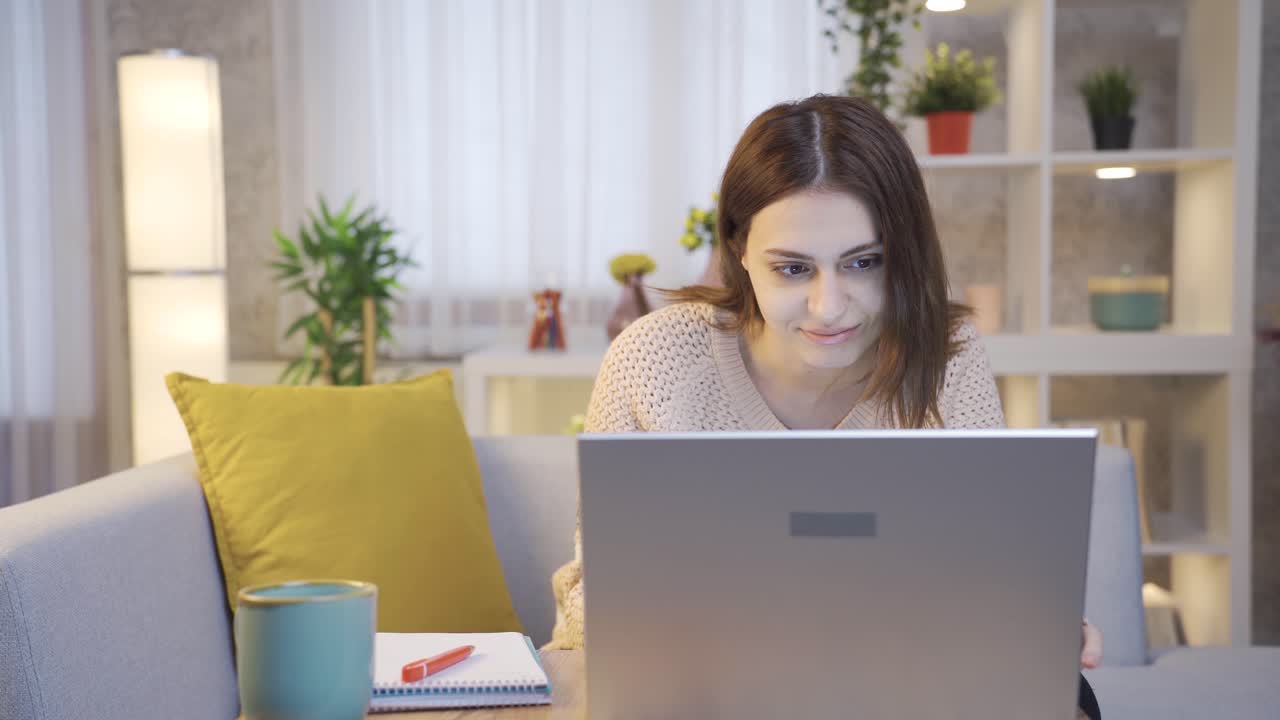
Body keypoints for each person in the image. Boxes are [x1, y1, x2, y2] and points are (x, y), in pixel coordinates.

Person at [546, 93, 1103, 717]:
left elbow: (987, 570)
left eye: (864, 263)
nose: (829, 306)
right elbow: (593, 596)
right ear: (738, 250)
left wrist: (1034, 622)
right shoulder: (654, 357)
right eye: (792, 270)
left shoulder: (947, 356)